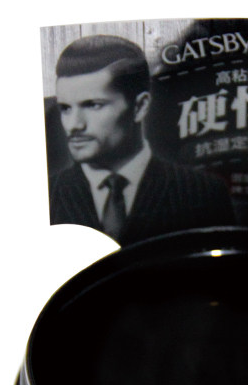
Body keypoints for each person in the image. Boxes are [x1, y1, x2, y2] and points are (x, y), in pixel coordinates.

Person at [49, 35, 234, 244]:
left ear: (140, 106)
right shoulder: (46, 195)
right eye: (65, 108)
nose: (74, 125)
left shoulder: (203, 193)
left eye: (93, 105)